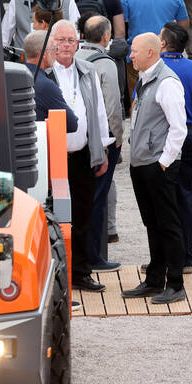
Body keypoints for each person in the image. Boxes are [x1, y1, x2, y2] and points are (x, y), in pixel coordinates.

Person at [48, 20, 114, 290]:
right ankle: (55, 274)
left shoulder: (88, 70)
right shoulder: (43, 72)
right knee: (54, 217)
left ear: (79, 43)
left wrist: (102, 150)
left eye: (71, 40)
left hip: (82, 154)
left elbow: (98, 112)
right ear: (51, 42)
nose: (65, 45)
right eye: (61, 40)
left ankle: (82, 272)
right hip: (52, 157)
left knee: (83, 215)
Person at [123, 33, 188, 304]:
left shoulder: (167, 82)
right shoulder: (146, 77)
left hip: (157, 166)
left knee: (168, 224)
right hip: (143, 164)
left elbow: (179, 127)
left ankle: (175, 283)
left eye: (135, 51)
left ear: (151, 52)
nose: (131, 56)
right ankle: (154, 279)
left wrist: (164, 161)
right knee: (152, 223)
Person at [77, 15, 128, 261]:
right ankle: (95, 256)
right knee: (98, 197)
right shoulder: (106, 64)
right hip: (102, 141)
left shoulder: (75, 57)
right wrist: (117, 139)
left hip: (79, 139)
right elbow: (112, 108)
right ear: (106, 36)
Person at [159, 22, 192, 269]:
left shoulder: (155, 67)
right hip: (188, 133)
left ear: (164, 43)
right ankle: (187, 256)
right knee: (187, 197)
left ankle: (164, 257)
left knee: (160, 198)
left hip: (161, 135)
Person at [22, 30, 77, 131]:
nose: (57, 53)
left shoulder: (15, 77)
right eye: (54, 48)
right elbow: (71, 124)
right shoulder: (45, 85)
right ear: (44, 53)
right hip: (39, 142)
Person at [1, 0, 80, 50]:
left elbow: (76, 37)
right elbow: (3, 40)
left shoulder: (68, 1)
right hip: (24, 65)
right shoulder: (16, 0)